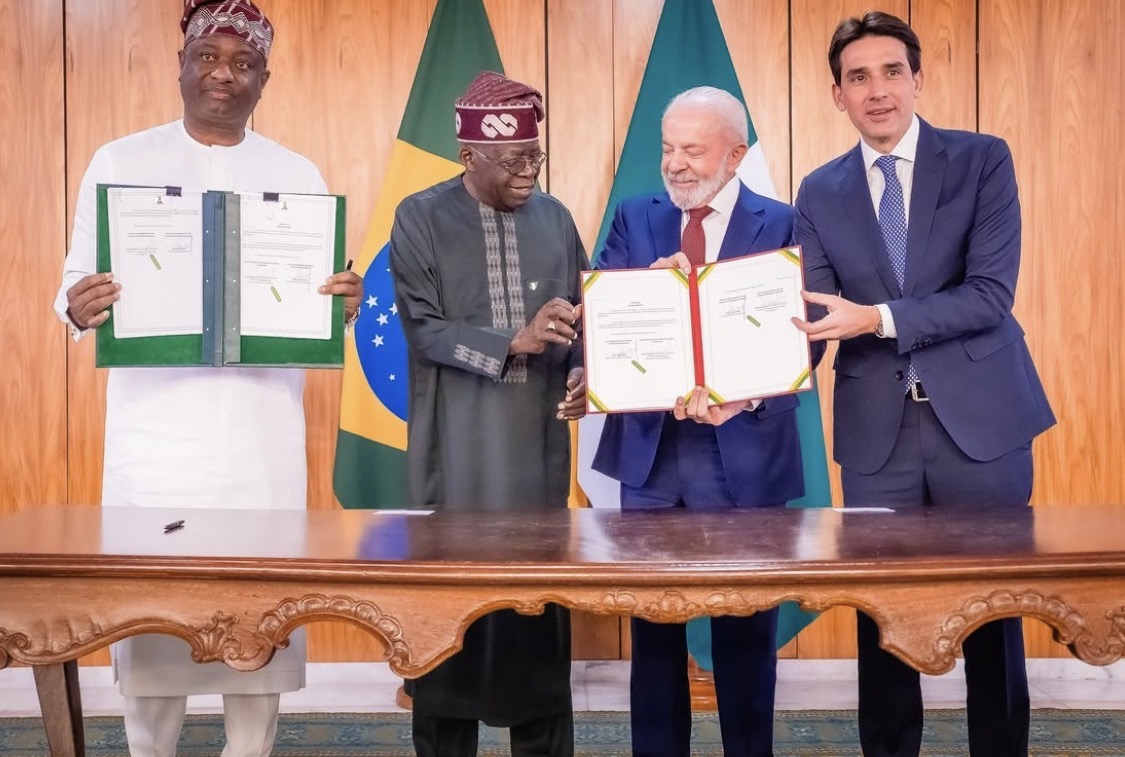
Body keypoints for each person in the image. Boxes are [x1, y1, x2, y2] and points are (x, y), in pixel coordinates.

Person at [53, 2, 362, 756]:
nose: (223, 74)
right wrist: (75, 303)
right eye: (208, 58)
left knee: (256, 648)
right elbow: (70, 287)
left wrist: (344, 306)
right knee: (151, 643)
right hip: (156, 445)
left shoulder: (295, 173)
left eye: (242, 63)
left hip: (259, 445)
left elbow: (318, 296)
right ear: (182, 64)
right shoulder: (119, 162)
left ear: (264, 76)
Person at [792, 11, 1056, 757]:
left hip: (982, 425)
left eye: (890, 72)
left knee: (993, 610)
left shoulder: (980, 160)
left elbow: (987, 295)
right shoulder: (819, 190)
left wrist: (875, 317)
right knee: (882, 615)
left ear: (916, 79)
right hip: (877, 434)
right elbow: (812, 320)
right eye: (857, 78)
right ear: (837, 95)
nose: (876, 90)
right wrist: (735, 385)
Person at [591, 86, 808, 757]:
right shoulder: (635, 215)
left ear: (735, 154)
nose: (675, 164)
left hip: (744, 452)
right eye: (667, 148)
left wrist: (746, 395)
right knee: (654, 634)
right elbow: (598, 323)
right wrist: (645, 294)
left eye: (693, 149)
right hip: (652, 459)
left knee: (745, 633)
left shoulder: (783, 221)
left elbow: (808, 334)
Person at [388, 70, 587, 757]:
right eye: (513, 160)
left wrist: (587, 374)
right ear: (469, 156)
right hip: (456, 459)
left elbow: (585, 323)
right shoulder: (419, 216)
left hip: (536, 458)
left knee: (536, 615)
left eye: (535, 155)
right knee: (451, 623)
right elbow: (423, 327)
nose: (529, 172)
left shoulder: (556, 218)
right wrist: (514, 339)